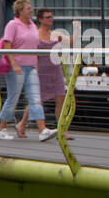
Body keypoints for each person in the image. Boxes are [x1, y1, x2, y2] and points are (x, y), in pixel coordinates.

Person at [0, 0, 55, 142]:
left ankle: (43, 130)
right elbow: (7, 45)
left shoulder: (32, 25)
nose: (31, 10)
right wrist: (14, 65)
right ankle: (2, 128)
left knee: (35, 98)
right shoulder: (13, 25)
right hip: (18, 66)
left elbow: (36, 45)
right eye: (28, 8)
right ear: (21, 11)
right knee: (13, 98)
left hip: (32, 66)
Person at [19, 8, 72, 139]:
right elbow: (33, 54)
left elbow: (70, 42)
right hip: (41, 72)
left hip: (56, 70)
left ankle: (61, 130)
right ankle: (22, 124)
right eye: (48, 17)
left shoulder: (55, 34)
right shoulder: (35, 35)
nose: (50, 19)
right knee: (37, 101)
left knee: (61, 99)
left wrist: (77, 29)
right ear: (41, 19)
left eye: (51, 17)